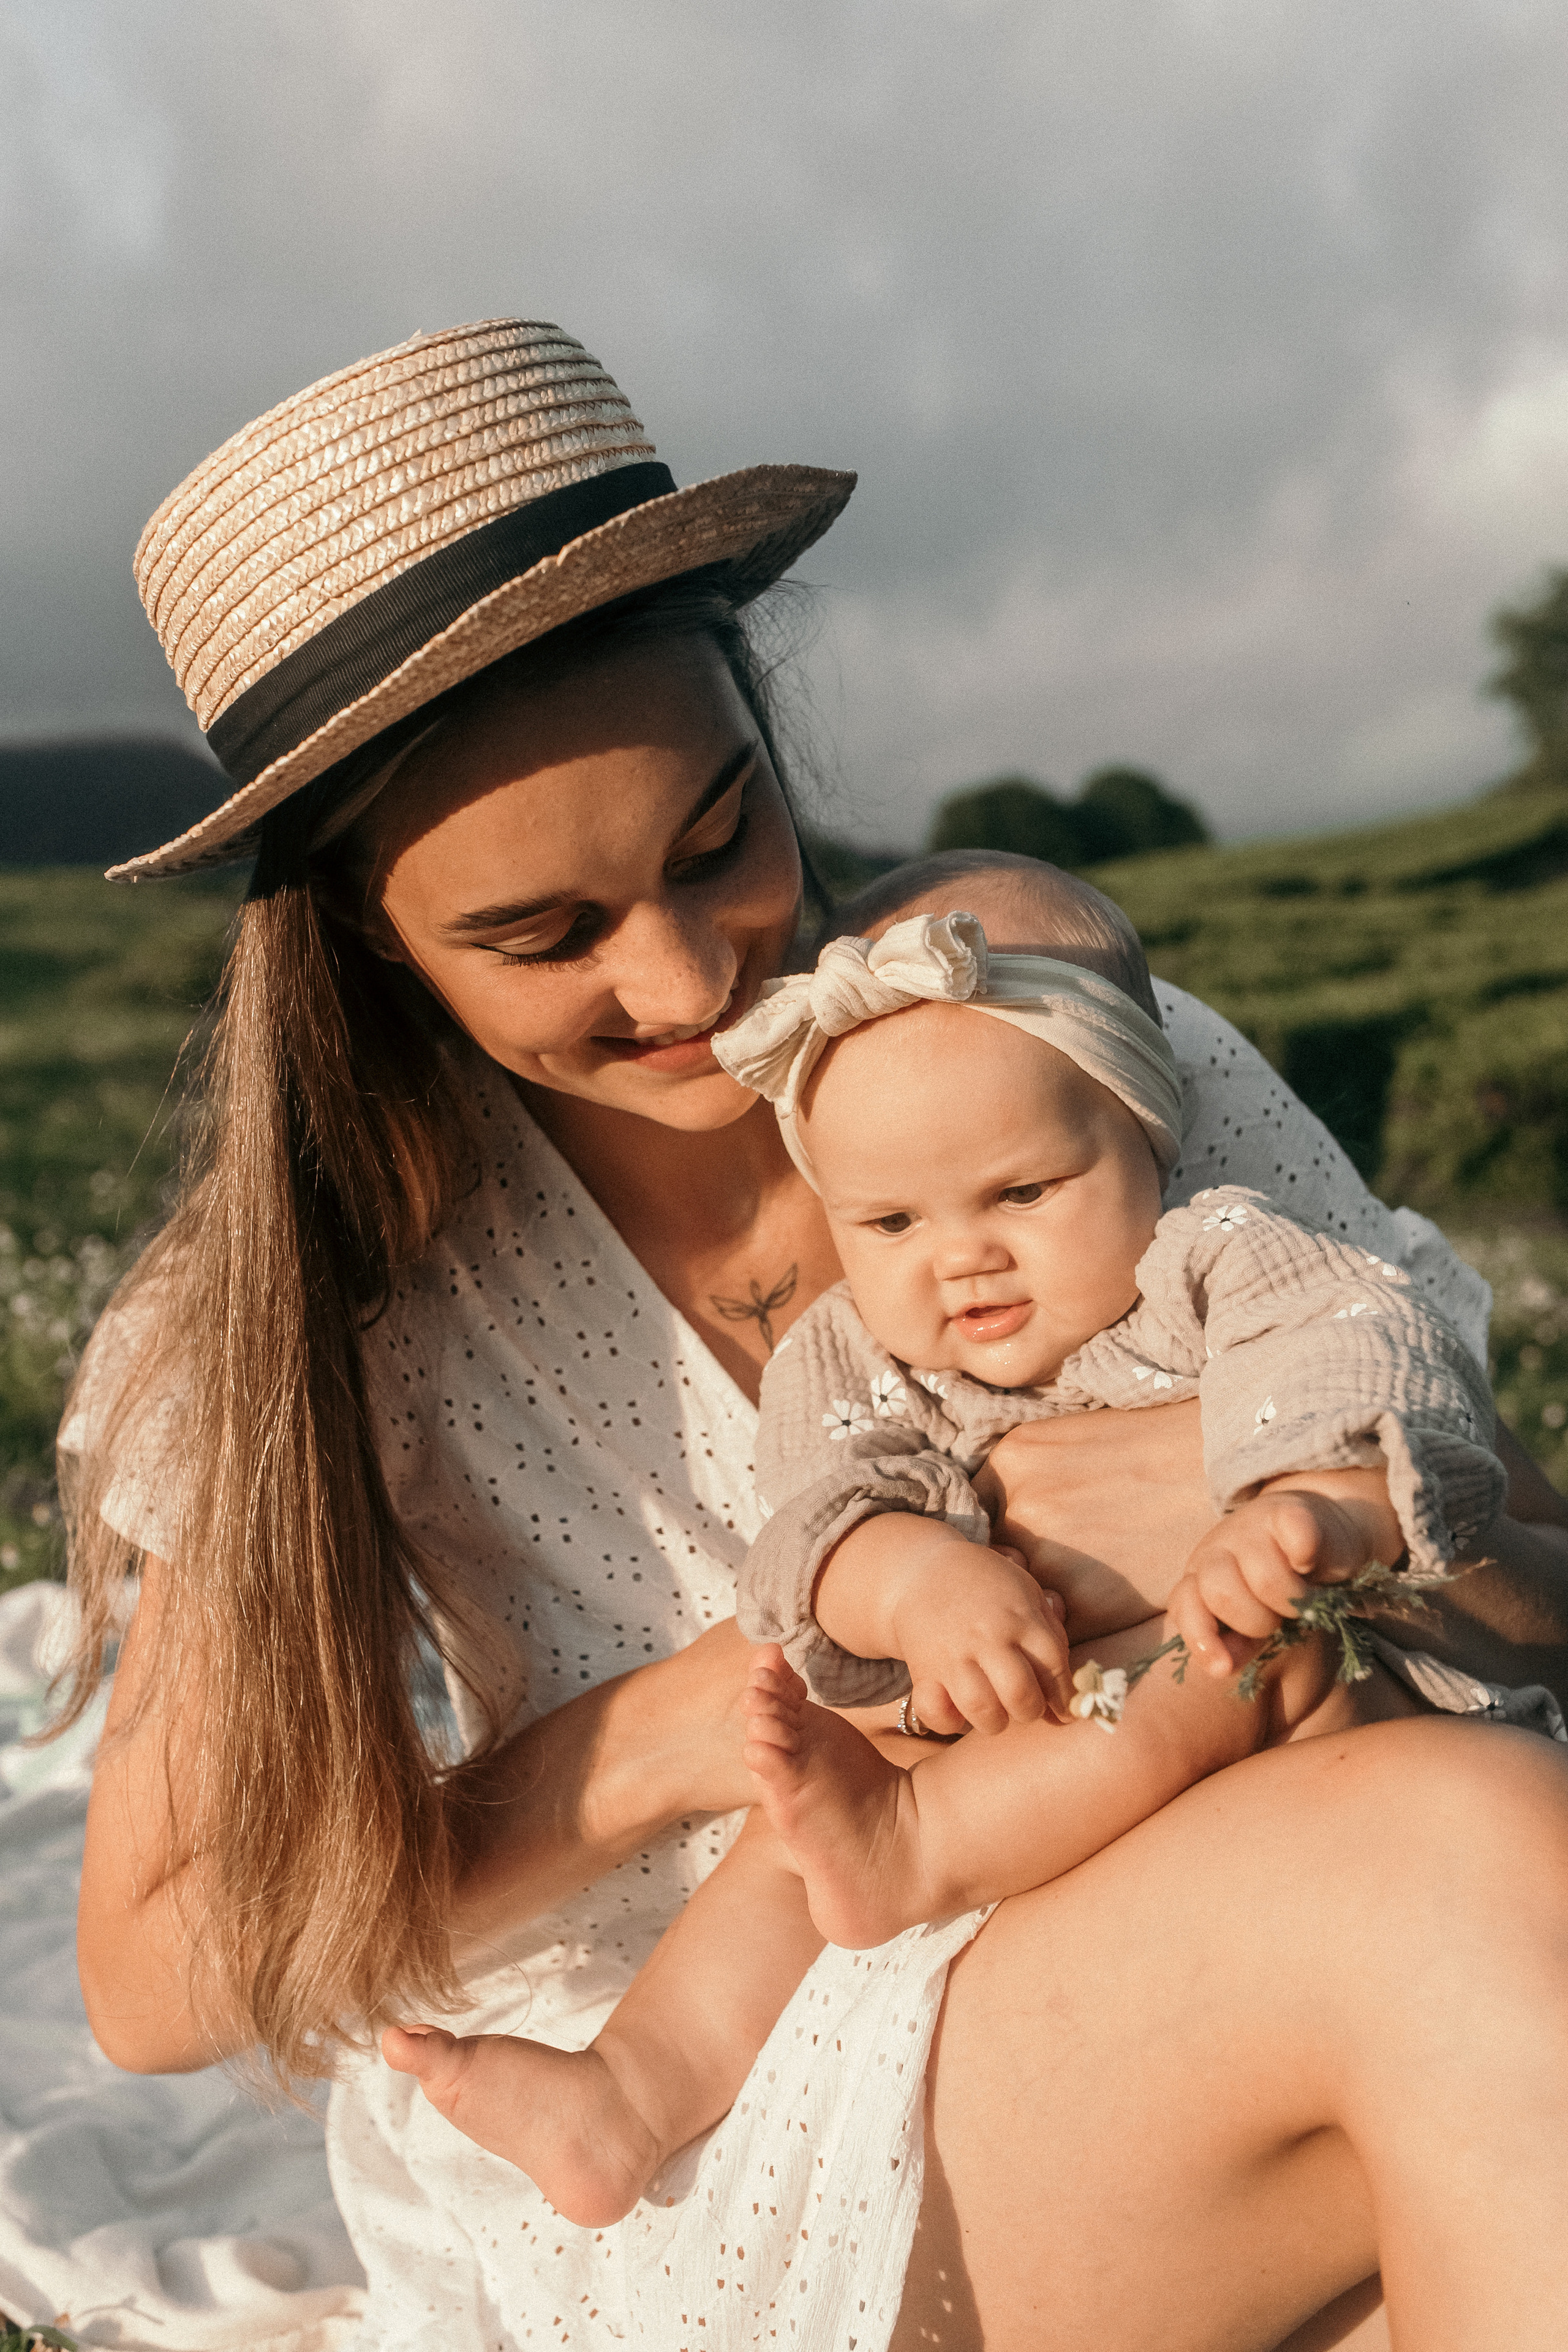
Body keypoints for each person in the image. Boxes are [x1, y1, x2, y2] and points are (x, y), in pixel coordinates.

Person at [61, 320, 1568, 2352]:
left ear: (768, 733)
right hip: (725, 2090)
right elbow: (162, 1975)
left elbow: (1533, 1603)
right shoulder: (293, 1314)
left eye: (718, 843)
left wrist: (1322, 1511)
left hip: (1228, 1876)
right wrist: (709, 1718)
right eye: (548, 936)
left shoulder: (1041, 1040)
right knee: (1469, 1881)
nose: (688, 978)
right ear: (364, 940)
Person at [377, 886, 1555, 2228]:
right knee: (803, 1805)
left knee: (1234, 1662)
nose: (961, 1258)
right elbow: (815, 1521)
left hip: (1272, 1743)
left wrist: (1312, 1508)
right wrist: (911, 1580)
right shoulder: (857, 1354)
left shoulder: (1213, 1260)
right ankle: (631, 2092)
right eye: (890, 1223)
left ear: (1143, 1144)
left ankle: (915, 1845)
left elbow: (1358, 1354)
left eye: (1020, 1191)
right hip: (1014, 1764)